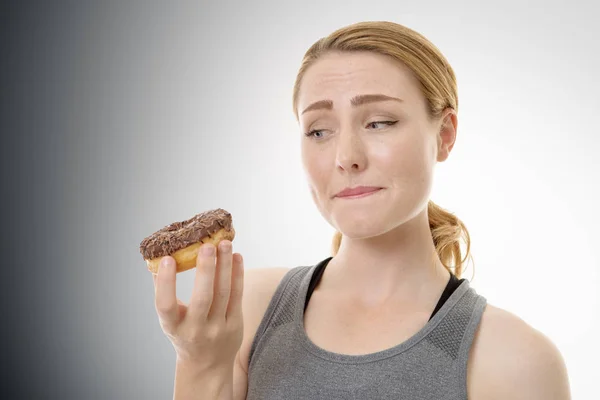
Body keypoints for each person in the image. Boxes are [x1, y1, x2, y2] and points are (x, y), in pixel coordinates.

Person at [152, 21, 571, 399]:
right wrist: (201, 363)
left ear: (444, 135)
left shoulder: (516, 362)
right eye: (318, 131)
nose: (346, 157)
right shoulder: (247, 311)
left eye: (379, 122)